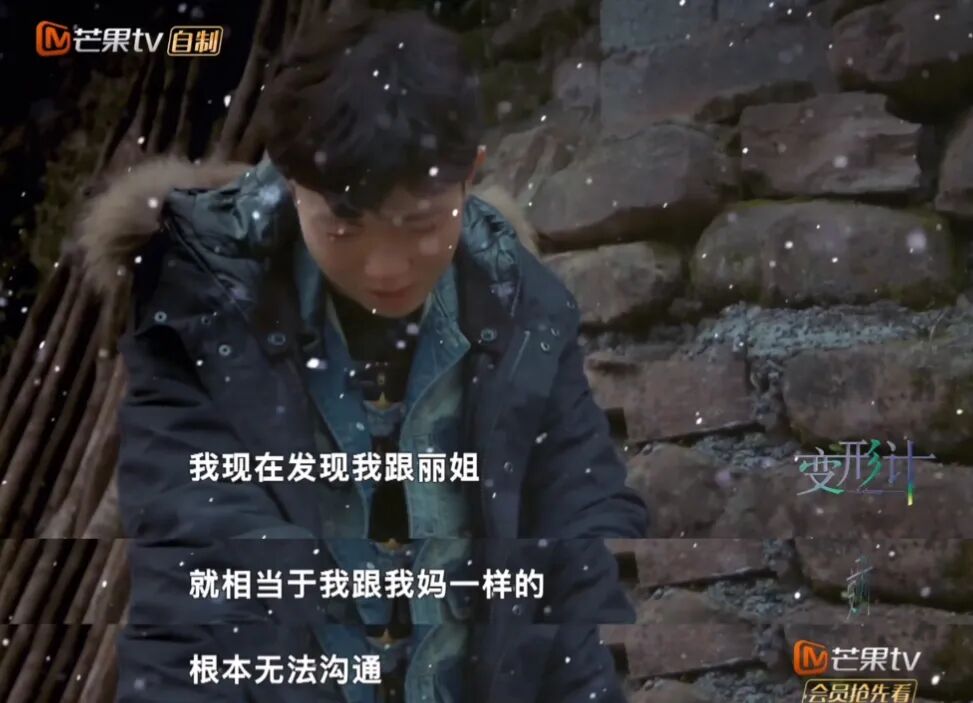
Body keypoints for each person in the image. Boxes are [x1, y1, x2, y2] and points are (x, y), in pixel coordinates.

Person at [78, 6, 648, 702]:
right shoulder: (205, 309)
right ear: (290, 185)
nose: (385, 268)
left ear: (469, 176)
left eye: (419, 224)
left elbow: (563, 563)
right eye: (344, 229)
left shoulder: (517, 310)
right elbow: (200, 575)